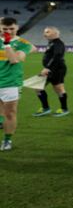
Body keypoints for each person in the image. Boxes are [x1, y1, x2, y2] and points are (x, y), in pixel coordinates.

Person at [0, 17, 33, 151]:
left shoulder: (23, 43)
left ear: (17, 28)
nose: (8, 31)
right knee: (1, 111)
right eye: (5, 29)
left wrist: (7, 44)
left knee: (10, 113)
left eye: (12, 28)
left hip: (10, 83)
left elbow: (14, 60)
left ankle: (7, 140)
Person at [33, 26, 70, 117]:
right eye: (45, 32)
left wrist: (48, 67)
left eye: (47, 32)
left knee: (58, 89)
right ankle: (46, 108)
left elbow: (57, 56)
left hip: (57, 69)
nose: (44, 34)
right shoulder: (52, 43)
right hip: (51, 69)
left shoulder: (58, 43)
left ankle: (64, 109)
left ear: (55, 33)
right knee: (38, 87)